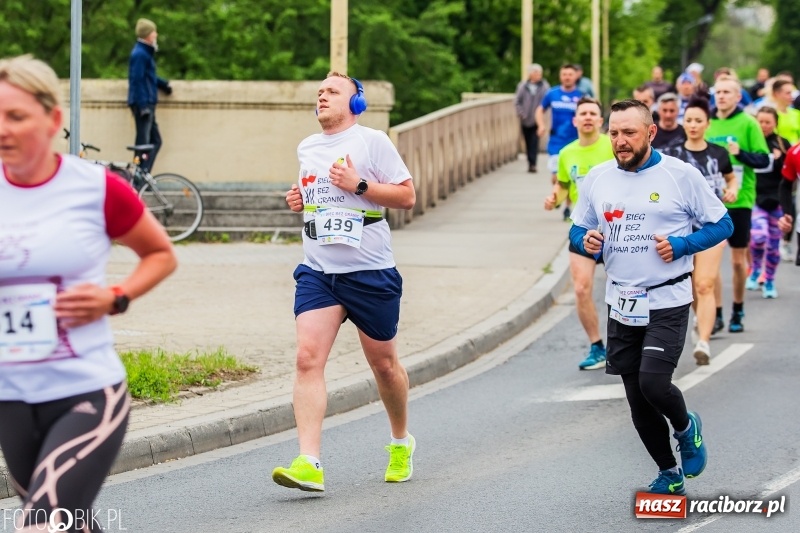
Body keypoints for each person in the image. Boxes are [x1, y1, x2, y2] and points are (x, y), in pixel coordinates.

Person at [0, 55, 176, 531]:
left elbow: (161, 254)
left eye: (15, 116)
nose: (3, 129)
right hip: (11, 397)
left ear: (53, 119)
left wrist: (115, 295)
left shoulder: (96, 188)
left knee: (42, 524)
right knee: (70, 523)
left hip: (85, 389)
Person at [570, 99, 732, 495]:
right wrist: (586, 240)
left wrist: (682, 245)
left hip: (668, 299)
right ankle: (669, 472)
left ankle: (686, 426)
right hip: (621, 301)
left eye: (629, 133)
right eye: (614, 133)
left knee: (654, 385)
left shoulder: (681, 175)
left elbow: (722, 223)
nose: (620, 142)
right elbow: (577, 230)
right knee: (637, 401)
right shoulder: (598, 177)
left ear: (651, 132)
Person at [272, 72, 417, 493]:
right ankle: (309, 462)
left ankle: (400, 442)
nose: (322, 95)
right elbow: (313, 193)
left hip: (370, 272)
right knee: (306, 358)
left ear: (355, 104)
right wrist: (298, 198)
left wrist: (361, 185)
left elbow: (407, 196)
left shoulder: (373, 142)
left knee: (384, 366)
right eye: (319, 91)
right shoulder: (308, 146)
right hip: (319, 271)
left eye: (332, 91)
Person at [663, 97, 738, 364]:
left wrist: (732, 190)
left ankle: (704, 342)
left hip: (711, 227)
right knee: (692, 286)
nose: (693, 125)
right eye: (689, 120)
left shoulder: (719, 153)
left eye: (698, 121)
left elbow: (730, 178)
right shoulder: (671, 154)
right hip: (682, 228)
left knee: (705, 284)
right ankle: (700, 319)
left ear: (708, 124)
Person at [543, 96, 614, 370]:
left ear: (599, 120)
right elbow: (562, 186)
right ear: (575, 120)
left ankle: (629, 341)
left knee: (625, 288)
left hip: (615, 227)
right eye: (582, 113)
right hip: (583, 228)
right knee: (582, 288)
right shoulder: (567, 153)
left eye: (592, 113)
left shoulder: (611, 146)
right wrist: (554, 198)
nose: (586, 117)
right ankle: (597, 346)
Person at [705, 76, 770, 333]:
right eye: (717, 92)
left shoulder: (748, 123)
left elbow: (764, 160)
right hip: (711, 202)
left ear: (737, 96)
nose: (720, 96)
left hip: (741, 199)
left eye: (726, 92)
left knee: (736, 261)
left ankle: (738, 308)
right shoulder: (707, 123)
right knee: (713, 259)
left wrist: (739, 154)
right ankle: (718, 312)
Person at [744, 107, 791, 299]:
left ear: (775, 124)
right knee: (758, 237)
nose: (763, 126)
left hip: (777, 201)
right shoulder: (752, 142)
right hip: (756, 198)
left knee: (773, 246)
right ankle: (755, 268)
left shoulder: (783, 144)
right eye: (760, 121)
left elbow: (789, 176)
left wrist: (781, 160)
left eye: (767, 122)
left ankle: (769, 280)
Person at [536, 64, 583, 218]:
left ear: (575, 76)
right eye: (564, 74)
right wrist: (541, 125)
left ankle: (567, 207)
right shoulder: (552, 94)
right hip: (556, 141)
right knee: (556, 176)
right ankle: (559, 195)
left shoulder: (581, 95)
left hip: (574, 141)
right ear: (560, 76)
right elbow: (539, 109)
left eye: (570, 74)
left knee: (571, 176)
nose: (567, 77)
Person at [127, 18, 172, 174]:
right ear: (147, 34)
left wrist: (163, 84)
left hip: (147, 102)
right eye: (153, 32)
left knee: (154, 141)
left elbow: (148, 77)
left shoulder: (144, 52)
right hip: (144, 104)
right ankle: (138, 176)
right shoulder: (140, 54)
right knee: (143, 142)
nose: (156, 35)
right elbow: (136, 80)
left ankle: (142, 174)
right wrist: (143, 106)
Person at [514, 63, 550, 173]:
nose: (538, 75)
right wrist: (522, 113)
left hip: (537, 120)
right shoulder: (523, 86)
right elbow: (517, 101)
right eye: (536, 73)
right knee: (527, 141)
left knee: (534, 141)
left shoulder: (544, 86)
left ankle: (533, 163)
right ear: (530, 74)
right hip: (525, 119)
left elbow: (548, 100)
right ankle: (530, 161)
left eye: (540, 73)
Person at [771, 79, 800, 144]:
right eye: (788, 93)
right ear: (776, 94)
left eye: (791, 93)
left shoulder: (797, 113)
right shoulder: (771, 115)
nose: (791, 96)